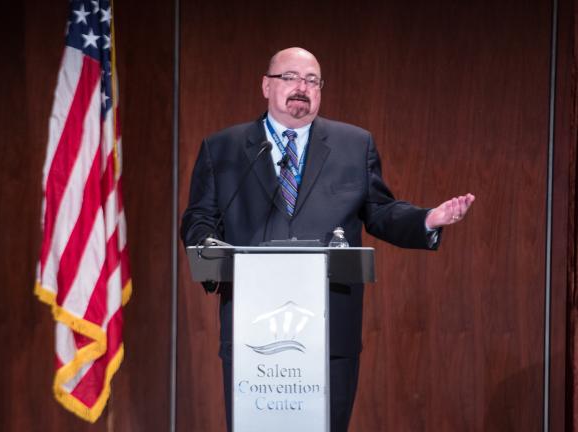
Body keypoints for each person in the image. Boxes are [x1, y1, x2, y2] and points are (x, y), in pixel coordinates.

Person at [181, 47, 474, 432]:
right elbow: (201, 217)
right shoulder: (224, 148)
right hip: (252, 330)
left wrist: (427, 219)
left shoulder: (355, 145)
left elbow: (380, 212)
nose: (301, 87)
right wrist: (209, 244)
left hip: (329, 332)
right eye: (290, 77)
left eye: (312, 80)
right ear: (266, 85)